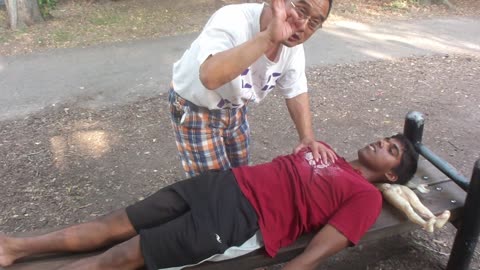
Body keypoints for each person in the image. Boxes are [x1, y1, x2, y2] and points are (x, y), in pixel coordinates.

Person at [0, 134, 418, 270]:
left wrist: (295, 267)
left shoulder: (364, 195)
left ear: (392, 175)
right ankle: (14, 247)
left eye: (392, 151)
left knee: (126, 255)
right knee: (117, 222)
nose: (382, 143)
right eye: (386, 139)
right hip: (223, 184)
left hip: (242, 219)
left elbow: (337, 236)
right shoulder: (321, 148)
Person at [169, 0, 336, 177]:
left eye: (314, 22)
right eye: (301, 11)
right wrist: (269, 37)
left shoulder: (292, 45)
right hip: (196, 106)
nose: (303, 26)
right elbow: (210, 77)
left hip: (235, 108)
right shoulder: (233, 19)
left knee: (241, 175)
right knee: (213, 188)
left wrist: (307, 138)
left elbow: (296, 90)